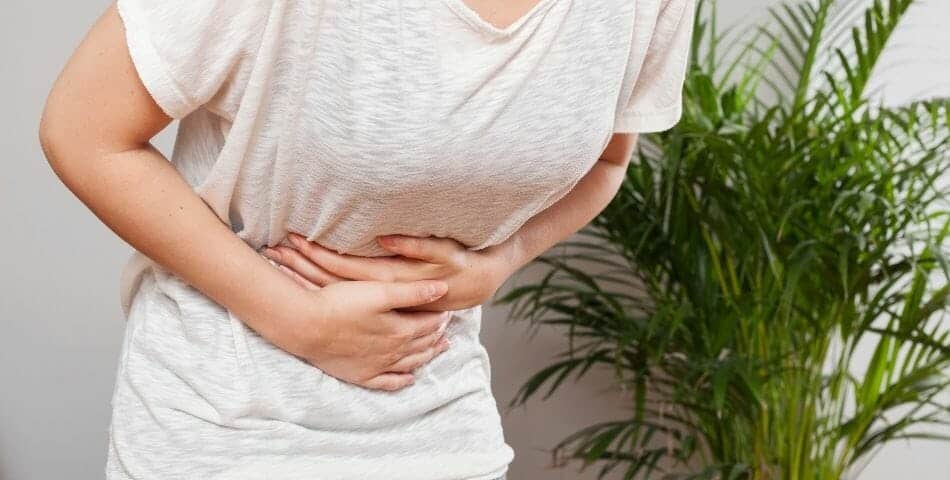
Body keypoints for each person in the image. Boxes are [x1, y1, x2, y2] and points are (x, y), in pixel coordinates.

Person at [37, 0, 697, 478]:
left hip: (436, 403)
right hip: (229, 417)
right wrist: (295, 318)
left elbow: (609, 161)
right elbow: (82, 129)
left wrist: (502, 260)